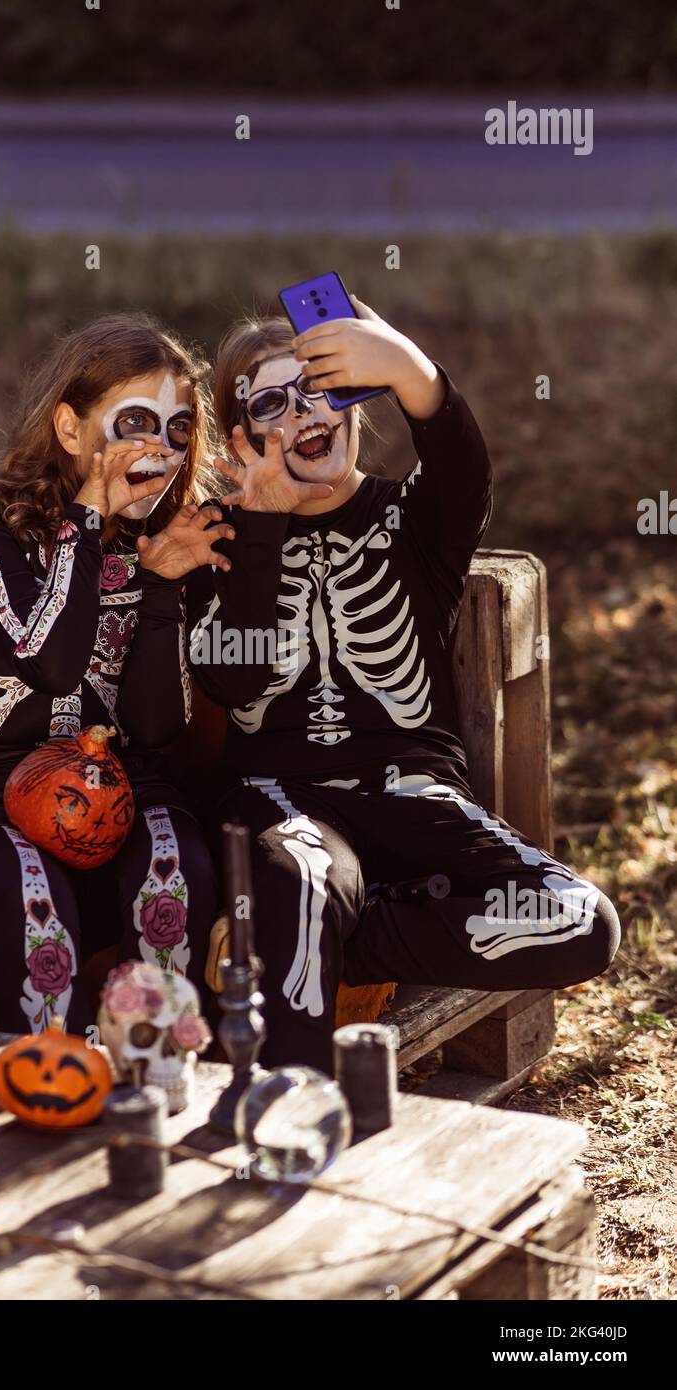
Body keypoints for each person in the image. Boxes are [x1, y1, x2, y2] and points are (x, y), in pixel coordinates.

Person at [176, 298, 621, 1071]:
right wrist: (262, 531)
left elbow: (463, 465)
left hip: (414, 796)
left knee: (581, 921)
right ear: (241, 441)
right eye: (271, 404)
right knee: (307, 880)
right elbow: (233, 676)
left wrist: (409, 371)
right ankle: (300, 1113)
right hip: (284, 807)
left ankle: (346, 934)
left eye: (321, 388)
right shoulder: (219, 541)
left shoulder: (413, 520)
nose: (303, 413)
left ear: (355, 403)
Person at [0, 315, 230, 1034]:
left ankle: (158, 1082)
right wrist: (86, 518)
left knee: (176, 871)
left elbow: (155, 729)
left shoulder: (165, 537)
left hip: (124, 787)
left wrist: (158, 587)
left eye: (179, 430)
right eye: (136, 423)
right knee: (36, 904)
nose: (161, 447)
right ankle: (58, 1085)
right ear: (69, 428)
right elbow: (53, 664)